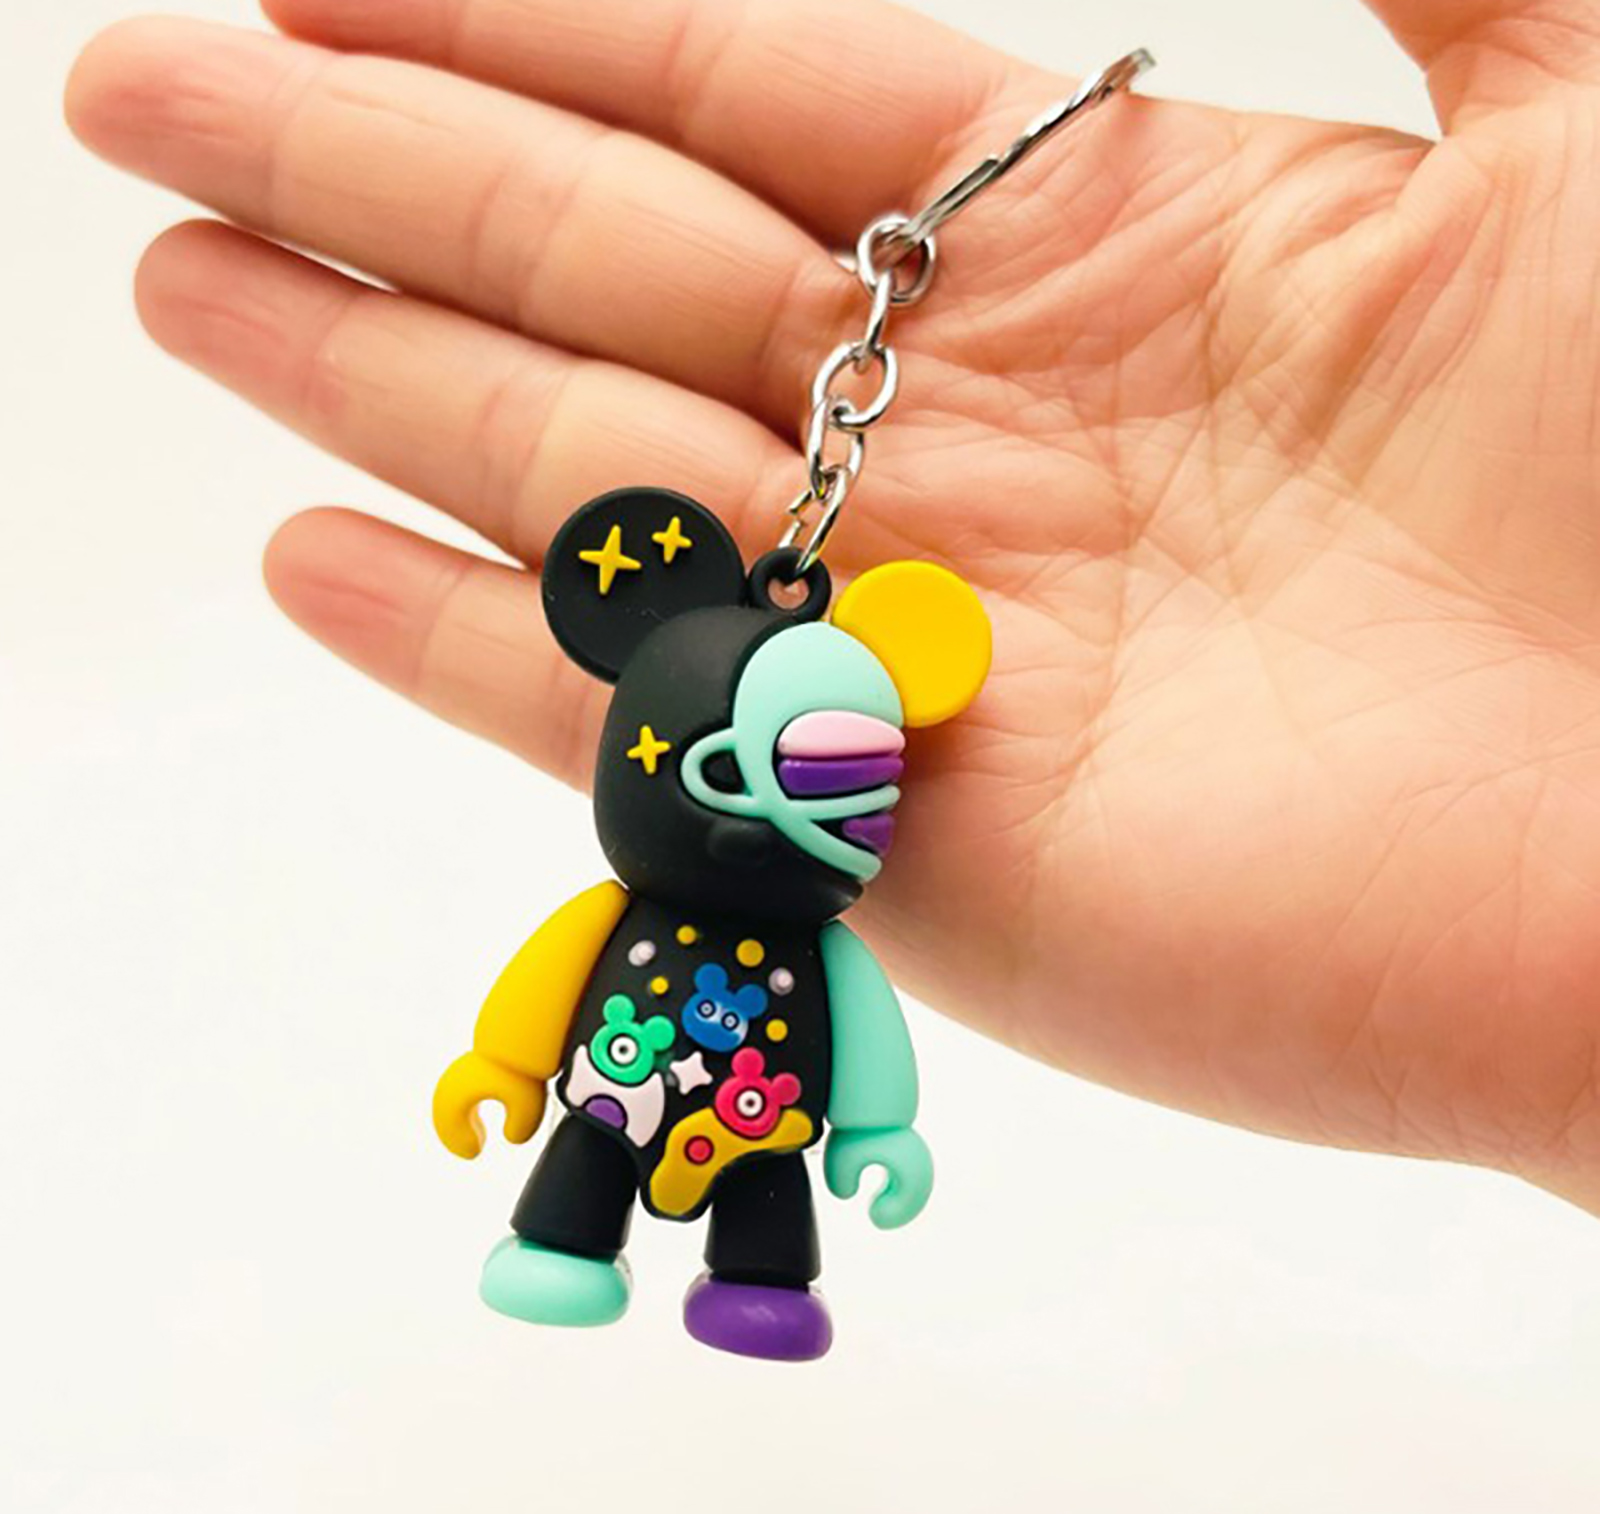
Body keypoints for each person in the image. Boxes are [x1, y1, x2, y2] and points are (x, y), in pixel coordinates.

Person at [65, 0, 1600, 1218]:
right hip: (608, 1086)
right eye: (740, 770)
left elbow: (863, 1041)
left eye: (833, 777)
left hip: (765, 1123)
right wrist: (501, 1059)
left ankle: (761, 1279)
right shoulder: (627, 912)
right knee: (586, 1163)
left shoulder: (822, 941)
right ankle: (558, 1240)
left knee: (764, 1200)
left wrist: (874, 1128)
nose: (761, 816)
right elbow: (548, 980)